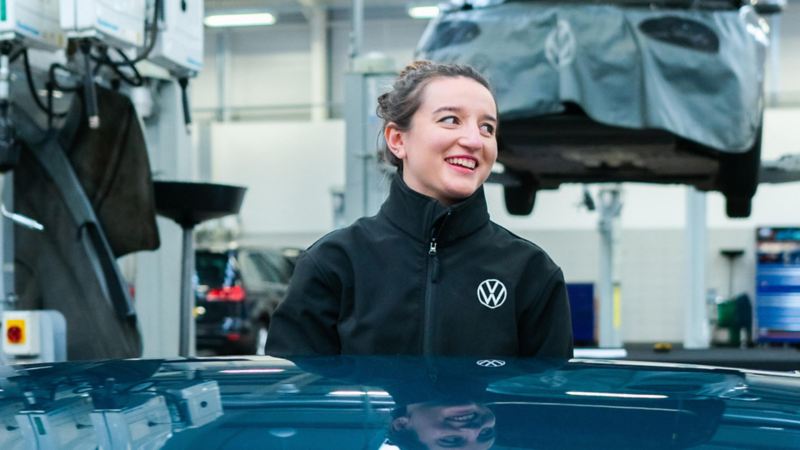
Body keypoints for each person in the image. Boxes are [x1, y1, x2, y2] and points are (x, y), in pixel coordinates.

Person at [266, 60, 573, 357]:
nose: (473, 140)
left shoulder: (531, 272)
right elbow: (298, 398)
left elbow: (548, 403)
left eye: (487, 127)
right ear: (398, 139)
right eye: (450, 120)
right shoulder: (333, 264)